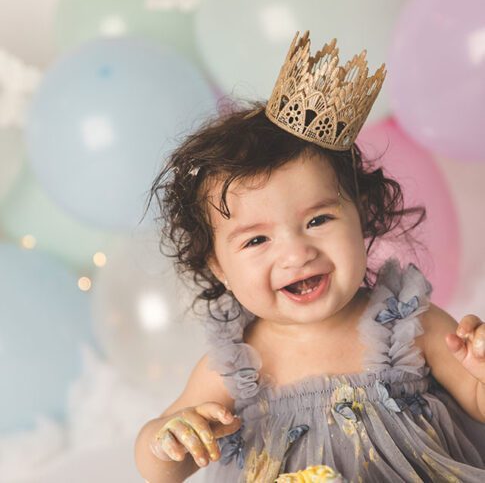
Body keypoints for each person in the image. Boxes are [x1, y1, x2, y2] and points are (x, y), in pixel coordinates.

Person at [134, 31, 485, 482]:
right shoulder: (237, 366)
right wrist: (170, 435)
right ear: (218, 268)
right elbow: (159, 470)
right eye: (257, 240)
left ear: (361, 217)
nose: (297, 253)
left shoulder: (407, 327)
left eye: (318, 220)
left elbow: (477, 402)